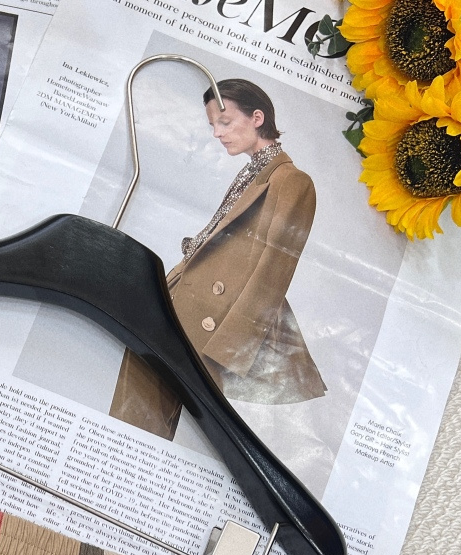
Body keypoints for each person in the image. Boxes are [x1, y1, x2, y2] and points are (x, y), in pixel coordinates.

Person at [111, 77, 325, 440]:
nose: (216, 134)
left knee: (150, 421)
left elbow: (273, 272)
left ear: (257, 118)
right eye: (213, 125)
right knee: (133, 407)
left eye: (224, 122)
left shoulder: (292, 181)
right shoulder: (254, 171)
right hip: (181, 300)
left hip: (210, 323)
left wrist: (230, 348)